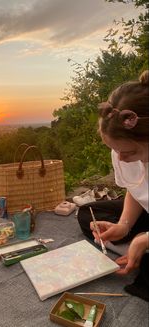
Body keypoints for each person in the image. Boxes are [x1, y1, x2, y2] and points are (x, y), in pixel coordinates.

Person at [77, 70, 149, 301]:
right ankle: (134, 248)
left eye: (128, 152)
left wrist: (146, 238)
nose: (120, 159)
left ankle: (138, 251)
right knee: (86, 214)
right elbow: (136, 190)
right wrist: (124, 225)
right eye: (114, 150)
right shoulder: (121, 153)